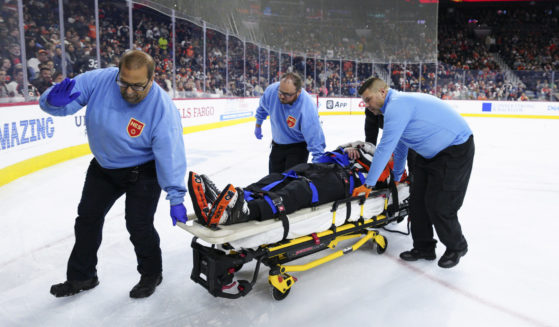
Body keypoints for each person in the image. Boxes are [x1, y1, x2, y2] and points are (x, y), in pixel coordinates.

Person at [39, 50, 188, 299]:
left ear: (152, 79)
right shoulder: (100, 80)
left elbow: (171, 153)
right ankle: (82, 276)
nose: (129, 91)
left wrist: (176, 196)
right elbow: (62, 106)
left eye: (137, 86)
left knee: (138, 224)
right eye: (124, 83)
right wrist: (52, 100)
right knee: (87, 219)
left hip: (143, 171)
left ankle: (151, 273)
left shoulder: (162, 107)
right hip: (104, 166)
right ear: (118, 73)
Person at [353, 77, 474, 269]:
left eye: (368, 100)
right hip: (428, 153)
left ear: (382, 92)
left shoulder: (397, 106)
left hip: (455, 149)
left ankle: (457, 247)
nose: (366, 106)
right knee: (417, 202)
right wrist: (398, 176)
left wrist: (369, 184)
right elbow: (401, 146)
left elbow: (385, 148)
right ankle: (424, 248)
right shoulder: (394, 108)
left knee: (440, 204)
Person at [188, 140, 401, 227]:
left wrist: (364, 156)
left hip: (345, 181)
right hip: (328, 168)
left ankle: (245, 211)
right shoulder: (368, 147)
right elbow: (339, 150)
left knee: (301, 190)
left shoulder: (390, 166)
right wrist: (348, 149)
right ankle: (235, 197)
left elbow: (387, 179)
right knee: (280, 178)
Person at [254, 72, 326, 174]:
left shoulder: (307, 106)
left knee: (290, 184)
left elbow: (314, 136)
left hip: (298, 147)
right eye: (281, 92)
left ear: (298, 92)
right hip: (277, 145)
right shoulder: (272, 91)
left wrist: (318, 164)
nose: (282, 97)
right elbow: (262, 108)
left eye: (287, 94)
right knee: (273, 182)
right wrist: (258, 124)